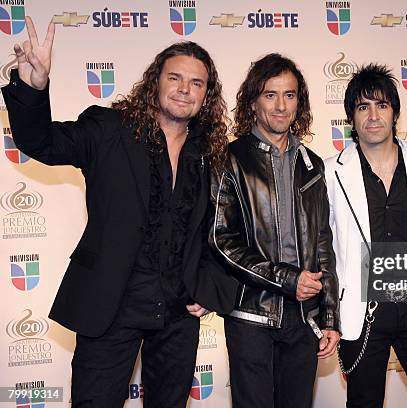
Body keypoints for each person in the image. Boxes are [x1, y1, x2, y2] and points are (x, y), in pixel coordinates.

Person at [2, 17, 237, 407]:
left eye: (197, 84)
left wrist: (209, 285)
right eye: (175, 78)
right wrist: (35, 86)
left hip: (177, 312)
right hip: (111, 306)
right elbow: (40, 141)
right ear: (155, 82)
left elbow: (220, 230)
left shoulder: (210, 151)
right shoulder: (109, 129)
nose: (184, 90)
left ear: (206, 94)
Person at [209, 53, 340, 408]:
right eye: (271, 95)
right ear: (253, 101)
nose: (281, 106)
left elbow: (322, 245)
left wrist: (329, 315)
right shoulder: (229, 158)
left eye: (290, 95)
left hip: (304, 320)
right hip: (251, 316)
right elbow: (222, 240)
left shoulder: (311, 165)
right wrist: (286, 280)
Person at [324, 64, 407, 407]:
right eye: (363, 107)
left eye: (381, 105)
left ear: (395, 112)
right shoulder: (329, 173)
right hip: (364, 310)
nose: (373, 115)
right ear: (352, 117)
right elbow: (323, 246)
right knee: (364, 402)